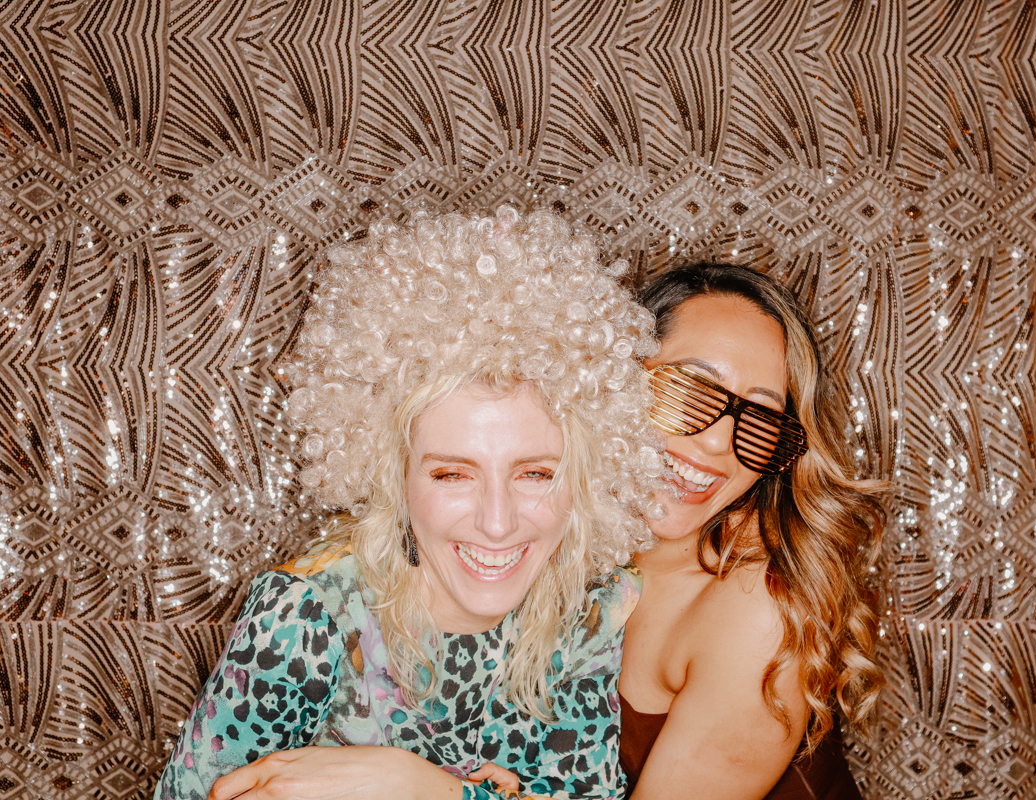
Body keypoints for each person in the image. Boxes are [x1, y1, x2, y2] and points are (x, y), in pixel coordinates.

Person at [152, 207, 663, 800]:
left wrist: (421, 787)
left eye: (535, 474)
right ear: (395, 476)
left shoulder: (586, 611)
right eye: (452, 474)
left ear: (584, 476)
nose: (497, 523)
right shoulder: (308, 622)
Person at [618, 263, 887, 799]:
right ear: (614, 375)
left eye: (760, 417)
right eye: (691, 390)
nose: (719, 442)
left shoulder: (757, 612)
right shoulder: (535, 536)